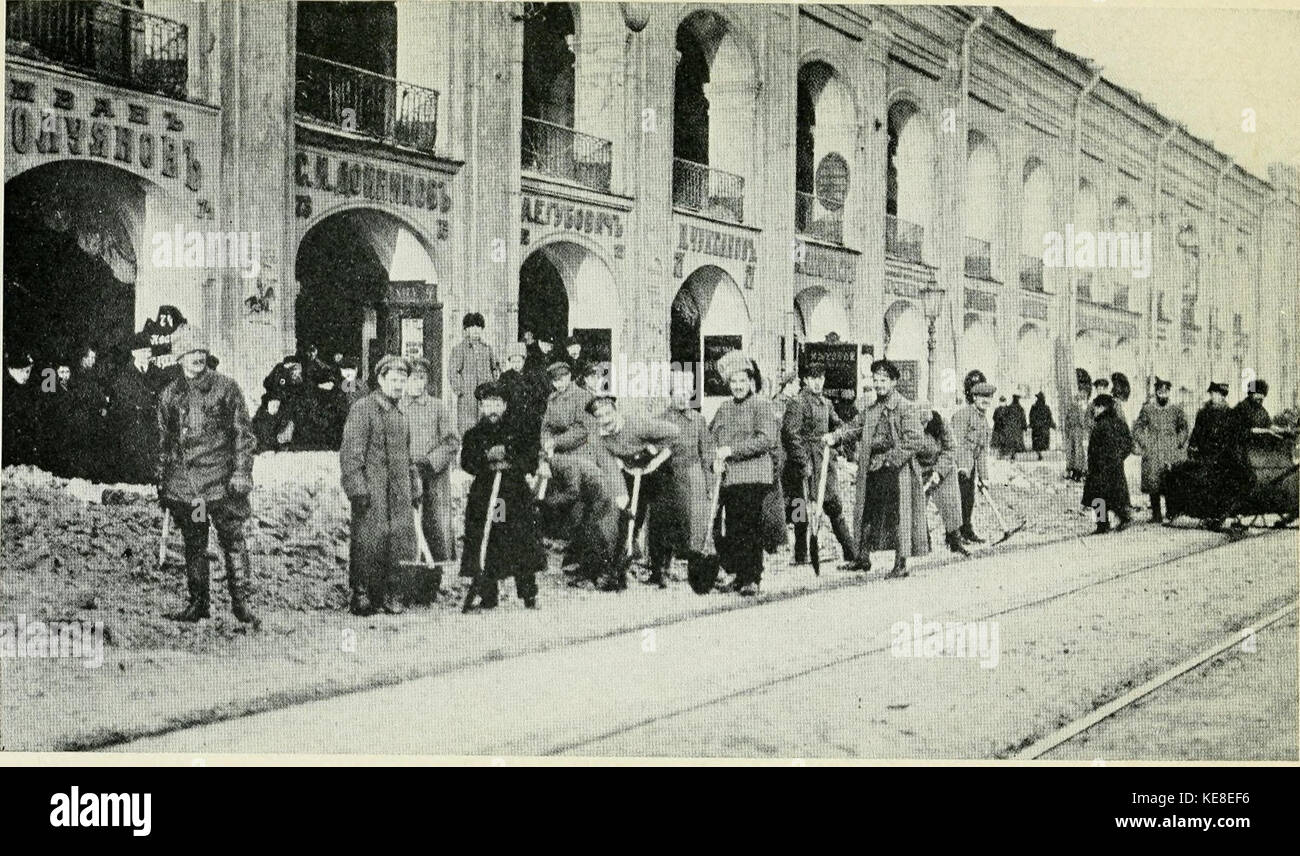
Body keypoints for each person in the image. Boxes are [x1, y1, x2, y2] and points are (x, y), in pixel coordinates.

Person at [155, 325, 259, 623]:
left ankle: (241, 604)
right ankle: (198, 604)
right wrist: (164, 481)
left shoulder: (226, 388)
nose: (196, 357)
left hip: (223, 486)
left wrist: (241, 472)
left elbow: (243, 435)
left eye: (200, 351)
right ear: (179, 357)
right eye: (189, 352)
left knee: (233, 540)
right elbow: (166, 442)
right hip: (190, 490)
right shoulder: (170, 395)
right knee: (195, 543)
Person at [824, 359, 929, 578]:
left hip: (897, 472)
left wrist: (891, 459)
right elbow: (854, 426)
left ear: (894, 382)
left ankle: (900, 564)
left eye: (883, 380)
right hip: (873, 471)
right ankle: (862, 558)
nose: (879, 384)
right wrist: (835, 436)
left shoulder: (906, 407)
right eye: (876, 380)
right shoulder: (872, 409)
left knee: (898, 517)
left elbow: (915, 440)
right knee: (867, 513)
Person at [340, 355, 420, 616]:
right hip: (371, 490)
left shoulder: (401, 413)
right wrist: (357, 489)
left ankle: (392, 593)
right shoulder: (363, 409)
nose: (399, 385)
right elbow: (351, 454)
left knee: (398, 541)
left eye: (402, 380)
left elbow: (408, 458)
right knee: (368, 541)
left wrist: (414, 487)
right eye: (394, 380)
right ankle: (361, 593)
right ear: (381, 380)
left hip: (398, 492)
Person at [460, 381, 546, 611]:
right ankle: (488, 594)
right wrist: (486, 457)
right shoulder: (473, 434)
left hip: (513, 492)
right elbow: (467, 463)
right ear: (480, 407)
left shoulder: (519, 431)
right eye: (486, 404)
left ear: (505, 405)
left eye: (496, 404)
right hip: (487, 495)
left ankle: (529, 594)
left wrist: (508, 455)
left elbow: (530, 459)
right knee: (489, 537)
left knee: (520, 539)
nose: (491, 410)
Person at [587, 395, 680, 590]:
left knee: (661, 517)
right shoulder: (598, 438)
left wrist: (655, 454)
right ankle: (618, 570)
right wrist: (621, 495)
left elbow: (674, 432)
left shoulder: (637, 424)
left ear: (616, 411)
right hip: (630, 470)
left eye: (608, 413)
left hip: (657, 468)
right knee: (626, 517)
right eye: (599, 416)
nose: (605, 419)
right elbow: (610, 467)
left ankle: (659, 570)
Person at [710, 351, 780, 596]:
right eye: (733, 382)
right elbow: (712, 438)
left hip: (754, 476)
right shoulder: (724, 408)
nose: (738, 386)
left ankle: (753, 577)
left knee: (749, 527)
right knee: (734, 528)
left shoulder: (761, 405)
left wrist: (732, 450)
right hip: (730, 478)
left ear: (750, 382)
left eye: (742, 381)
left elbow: (766, 440)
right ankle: (740, 576)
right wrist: (715, 459)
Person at [781, 362, 857, 566]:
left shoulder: (826, 403)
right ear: (806, 380)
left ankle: (851, 552)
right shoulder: (797, 403)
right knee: (800, 508)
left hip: (823, 463)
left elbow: (840, 426)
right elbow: (791, 435)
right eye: (814, 378)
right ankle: (800, 554)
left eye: (821, 378)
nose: (818, 383)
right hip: (803, 465)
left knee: (833, 505)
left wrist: (836, 436)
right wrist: (802, 461)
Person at [654, 371, 715, 580]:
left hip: (693, 475)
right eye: (676, 393)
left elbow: (706, 452)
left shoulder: (698, 420)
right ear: (670, 395)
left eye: (685, 393)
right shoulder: (661, 419)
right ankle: (663, 567)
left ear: (691, 395)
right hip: (668, 476)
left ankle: (697, 568)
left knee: (695, 522)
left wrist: (709, 482)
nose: (681, 397)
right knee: (667, 522)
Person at [402, 357, 459, 563]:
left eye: (421, 378)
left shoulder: (438, 407)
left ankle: (441, 565)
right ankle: (410, 565)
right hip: (407, 473)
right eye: (411, 378)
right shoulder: (398, 407)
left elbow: (452, 442)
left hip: (434, 475)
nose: (416, 384)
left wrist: (430, 461)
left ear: (427, 381)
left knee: (436, 521)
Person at [1173, 382, 1251, 529]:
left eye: (1220, 395)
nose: (1217, 397)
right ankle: (1208, 516)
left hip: (1225, 456)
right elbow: (1196, 432)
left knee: (1230, 482)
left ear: (1223, 396)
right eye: (1214, 394)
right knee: (1206, 483)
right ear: (1211, 395)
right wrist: (1193, 447)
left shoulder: (1230, 414)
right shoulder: (1203, 413)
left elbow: (1234, 436)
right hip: (1206, 455)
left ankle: (1226, 515)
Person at [1131, 377, 1189, 523]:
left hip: (1170, 450)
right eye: (1160, 392)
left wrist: (1178, 441)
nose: (1163, 395)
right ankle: (1156, 514)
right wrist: (1145, 442)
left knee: (1169, 480)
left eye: (1166, 392)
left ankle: (1171, 512)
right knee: (1153, 481)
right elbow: (1137, 428)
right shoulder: (1148, 409)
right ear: (1156, 393)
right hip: (1153, 451)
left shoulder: (1176, 410)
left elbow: (1183, 428)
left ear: (1169, 393)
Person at [107, 334, 160, 485]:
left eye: (149, 351)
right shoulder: (123, 377)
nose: (147, 354)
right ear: (133, 353)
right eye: (143, 351)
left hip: (151, 431)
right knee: (133, 474)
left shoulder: (157, 374)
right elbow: (118, 406)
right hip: (131, 432)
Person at [917, 409, 970, 557]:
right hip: (919, 468)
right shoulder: (907, 425)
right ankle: (923, 545)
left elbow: (951, 447)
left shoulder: (942, 423)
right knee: (917, 506)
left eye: (926, 422)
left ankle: (955, 541)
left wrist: (939, 471)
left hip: (943, 465)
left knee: (950, 503)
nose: (923, 425)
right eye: (920, 422)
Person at [950, 380, 995, 544]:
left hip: (970, 467)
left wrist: (984, 476)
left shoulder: (984, 421)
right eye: (982, 396)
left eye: (989, 397)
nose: (986, 400)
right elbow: (956, 443)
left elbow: (982, 451)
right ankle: (954, 537)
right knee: (957, 500)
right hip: (957, 465)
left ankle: (967, 531)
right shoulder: (963, 415)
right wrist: (962, 467)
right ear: (974, 397)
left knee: (969, 499)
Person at [1082, 393, 1133, 534]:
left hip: (1099, 467)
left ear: (1104, 407)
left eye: (1097, 407)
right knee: (1116, 495)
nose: (1095, 410)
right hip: (1114, 467)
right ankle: (1124, 518)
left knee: (1098, 495)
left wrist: (1094, 464)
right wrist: (1119, 457)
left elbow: (1094, 449)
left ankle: (1102, 525)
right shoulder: (1119, 423)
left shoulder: (1100, 425)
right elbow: (1129, 443)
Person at [449, 312, 500, 435]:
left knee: (486, 425)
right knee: (468, 428)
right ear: (466, 330)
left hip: (485, 396)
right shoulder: (459, 349)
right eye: (472, 327)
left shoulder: (487, 348)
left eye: (478, 327)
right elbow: (453, 371)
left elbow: (496, 368)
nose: (476, 330)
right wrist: (461, 390)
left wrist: (493, 386)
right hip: (468, 397)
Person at [67, 345, 110, 481]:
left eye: (94, 358)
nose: (93, 361)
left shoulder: (92, 374)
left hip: (93, 419)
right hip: (82, 420)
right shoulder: (76, 377)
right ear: (83, 359)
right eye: (90, 358)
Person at [2, 351, 41, 468]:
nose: (27, 376)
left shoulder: (26, 389)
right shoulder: (6, 389)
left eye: (29, 372)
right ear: (13, 370)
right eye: (26, 371)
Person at [1062, 375, 1092, 481]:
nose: (1081, 395)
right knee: (1073, 452)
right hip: (1074, 432)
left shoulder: (1088, 407)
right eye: (1080, 392)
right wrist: (1067, 431)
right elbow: (1067, 420)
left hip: (1083, 433)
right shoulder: (1073, 407)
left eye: (1083, 394)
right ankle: (1073, 470)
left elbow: (1088, 421)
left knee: (1082, 452)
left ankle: (1081, 471)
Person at [1029, 392, 1054, 460]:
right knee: (1042, 442)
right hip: (1043, 429)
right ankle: (1041, 454)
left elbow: (1031, 417)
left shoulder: (1034, 407)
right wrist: (1052, 425)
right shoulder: (1046, 407)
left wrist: (1032, 424)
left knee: (1037, 442)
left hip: (1037, 428)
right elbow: (1049, 418)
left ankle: (1039, 454)